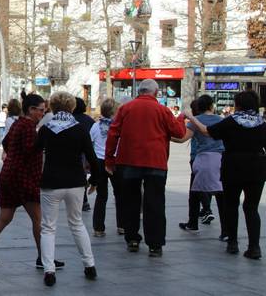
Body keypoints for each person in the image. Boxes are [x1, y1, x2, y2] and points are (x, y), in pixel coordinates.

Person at [0, 93, 65, 271]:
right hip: (24, 178)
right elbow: (31, 150)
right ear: (31, 110)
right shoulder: (28, 127)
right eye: (40, 110)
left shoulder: (17, 124)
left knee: (5, 217)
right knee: (38, 219)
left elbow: (6, 142)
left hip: (8, 175)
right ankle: (44, 258)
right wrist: (44, 140)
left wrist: (13, 157)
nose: (43, 113)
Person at [105, 79, 186, 257]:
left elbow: (113, 134)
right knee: (155, 203)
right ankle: (155, 244)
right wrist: (181, 117)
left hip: (128, 161)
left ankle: (132, 238)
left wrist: (109, 159)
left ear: (139, 91)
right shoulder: (163, 110)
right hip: (155, 162)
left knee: (130, 202)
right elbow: (179, 133)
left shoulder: (125, 109)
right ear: (156, 93)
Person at [186, 90, 266, 259]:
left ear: (238, 105)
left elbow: (208, 131)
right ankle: (254, 247)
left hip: (233, 166)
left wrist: (192, 119)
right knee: (251, 208)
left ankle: (233, 243)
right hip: (257, 167)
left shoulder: (231, 121)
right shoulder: (262, 123)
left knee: (231, 205)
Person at [36, 92, 99, 287]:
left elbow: (34, 150)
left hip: (51, 182)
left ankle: (49, 270)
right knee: (77, 223)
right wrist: (95, 179)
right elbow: (91, 156)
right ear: (72, 107)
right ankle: (89, 265)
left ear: (52, 107)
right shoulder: (80, 129)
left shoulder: (46, 129)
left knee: (48, 227)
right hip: (75, 182)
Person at [172, 95, 224, 236]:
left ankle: (193, 223)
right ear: (211, 106)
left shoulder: (196, 121)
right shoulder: (221, 120)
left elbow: (182, 139)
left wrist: (165, 136)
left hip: (202, 160)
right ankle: (226, 230)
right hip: (220, 160)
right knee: (221, 195)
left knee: (194, 193)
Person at [90, 98, 123, 237]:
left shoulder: (95, 126)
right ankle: (122, 225)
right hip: (115, 161)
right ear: (114, 112)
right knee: (120, 194)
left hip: (99, 162)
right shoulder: (119, 126)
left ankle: (98, 228)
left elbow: (90, 143)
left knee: (101, 196)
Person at [73, 98, 95, 212]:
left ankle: (80, 200)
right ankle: (84, 200)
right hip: (87, 152)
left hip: (75, 152)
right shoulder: (89, 120)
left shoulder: (71, 120)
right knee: (82, 175)